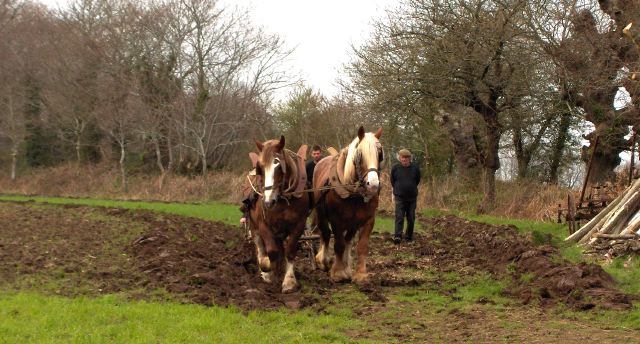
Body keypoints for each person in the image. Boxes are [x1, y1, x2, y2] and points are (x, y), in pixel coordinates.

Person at [391, 149, 421, 244]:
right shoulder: (395, 168)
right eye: (402, 157)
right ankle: (398, 236)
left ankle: (409, 237)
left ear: (409, 158)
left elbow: (417, 180)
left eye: (406, 158)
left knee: (411, 217)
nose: (404, 159)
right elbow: (392, 181)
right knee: (399, 216)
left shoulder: (415, 168)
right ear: (400, 158)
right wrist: (398, 189)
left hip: (412, 198)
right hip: (399, 197)